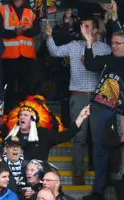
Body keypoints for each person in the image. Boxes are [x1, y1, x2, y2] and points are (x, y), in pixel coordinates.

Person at [44, 17, 110, 185]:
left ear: (95, 30)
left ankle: (98, 173)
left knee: (97, 137)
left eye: (87, 26)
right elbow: (55, 52)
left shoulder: (103, 48)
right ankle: (78, 173)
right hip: (78, 95)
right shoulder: (74, 45)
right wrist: (50, 37)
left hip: (98, 97)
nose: (82, 28)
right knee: (79, 136)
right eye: (81, 25)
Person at [0, 0, 41, 109]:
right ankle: (7, 115)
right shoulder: (2, 9)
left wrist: (25, 31)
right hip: (8, 56)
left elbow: (37, 30)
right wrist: (15, 32)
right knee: (8, 87)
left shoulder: (31, 11)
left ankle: (25, 113)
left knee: (26, 87)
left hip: (26, 56)